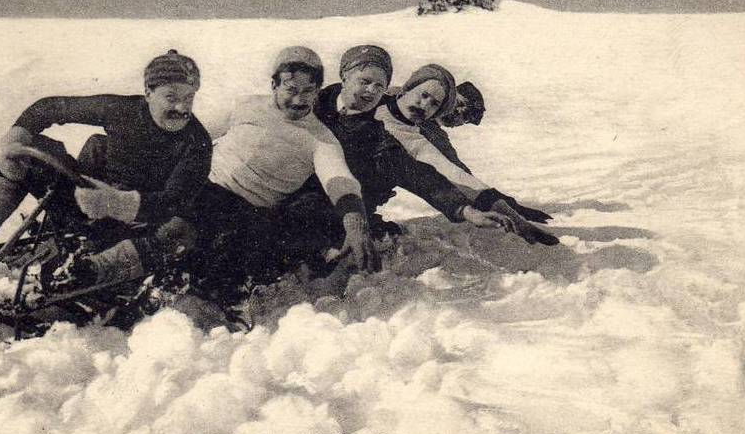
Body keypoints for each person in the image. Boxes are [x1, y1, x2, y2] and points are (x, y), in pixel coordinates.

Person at [0, 49, 212, 286]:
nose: (182, 108)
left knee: (181, 229)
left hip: (135, 232)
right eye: (171, 97)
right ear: (148, 92)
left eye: (189, 98)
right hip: (85, 210)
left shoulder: (196, 142)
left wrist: (115, 203)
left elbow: (174, 202)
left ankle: (85, 274)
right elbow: (49, 107)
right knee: (29, 151)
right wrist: (19, 134)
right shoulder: (122, 110)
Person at [183, 46, 381, 305]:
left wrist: (355, 222)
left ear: (317, 91)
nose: (299, 100)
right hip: (201, 188)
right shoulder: (246, 106)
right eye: (291, 90)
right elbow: (192, 134)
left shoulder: (320, 139)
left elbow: (339, 179)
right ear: (274, 85)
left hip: (244, 214)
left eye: (308, 91)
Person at [310, 45, 517, 242]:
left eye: (379, 86)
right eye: (365, 81)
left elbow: (435, 174)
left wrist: (474, 207)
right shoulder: (317, 101)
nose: (371, 91)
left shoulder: (412, 134)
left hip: (345, 205)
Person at [375, 64, 558, 245]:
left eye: (465, 117)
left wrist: (512, 211)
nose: (458, 113)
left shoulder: (425, 133)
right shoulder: (376, 98)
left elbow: (456, 174)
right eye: (459, 104)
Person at [417, 80, 552, 223]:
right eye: (466, 118)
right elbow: (460, 174)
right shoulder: (431, 131)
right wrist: (511, 207)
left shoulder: (410, 102)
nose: (461, 124)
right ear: (459, 107)